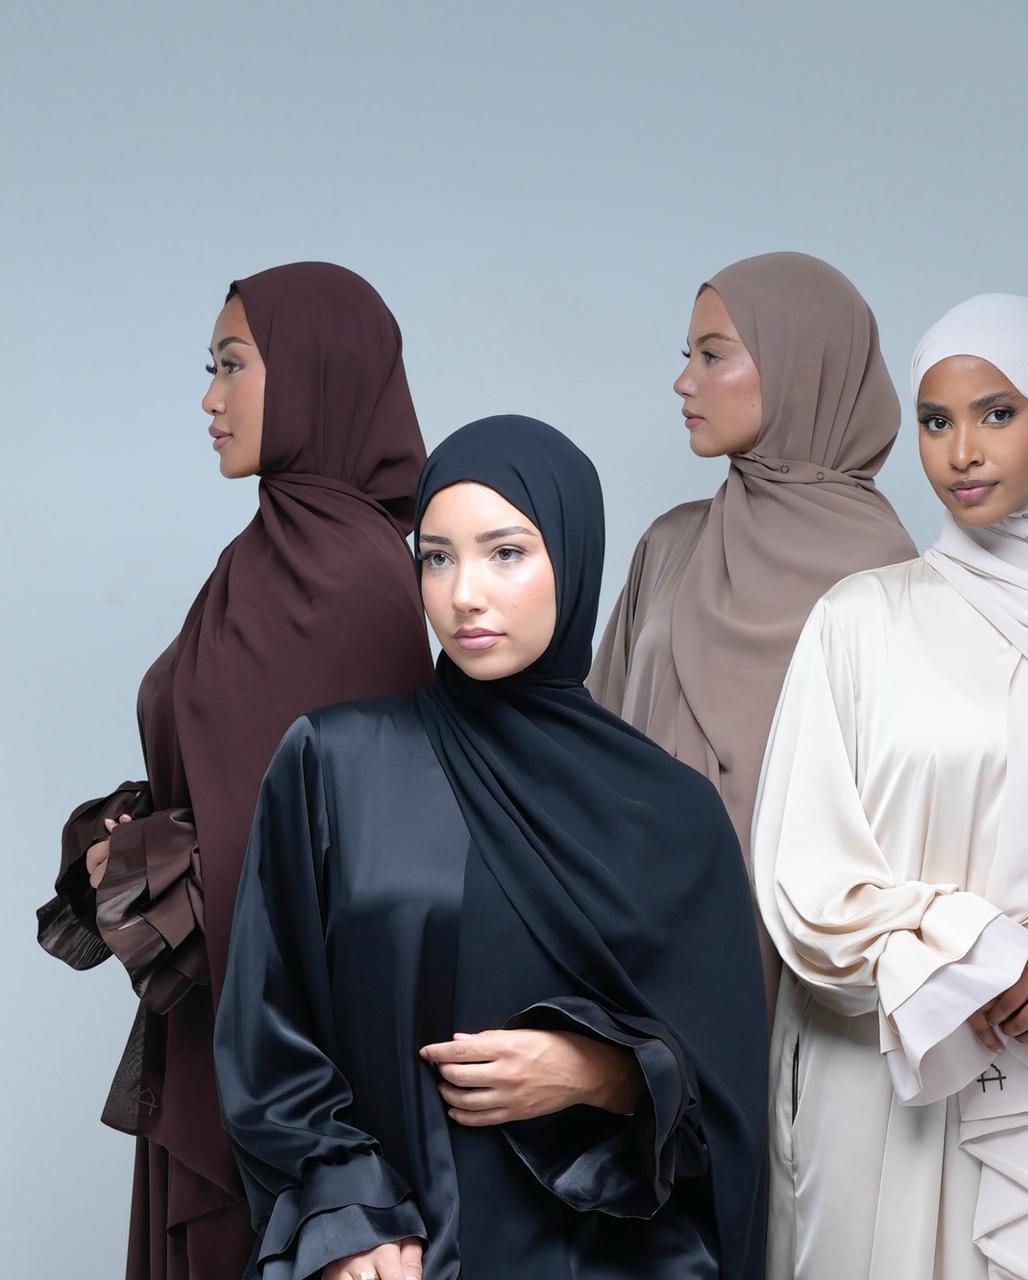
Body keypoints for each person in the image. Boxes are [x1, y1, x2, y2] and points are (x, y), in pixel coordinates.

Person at [214, 416, 769, 1280]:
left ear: (573, 559)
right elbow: (266, 1030)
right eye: (437, 558)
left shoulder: (670, 813)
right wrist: (348, 1214)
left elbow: (730, 1106)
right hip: (394, 1258)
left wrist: (605, 1073)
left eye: (505, 553)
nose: (463, 594)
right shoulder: (335, 762)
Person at [752, 294, 1028, 1279]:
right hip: (886, 1079)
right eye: (935, 420)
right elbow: (804, 877)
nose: (962, 451)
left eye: (998, 413)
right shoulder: (859, 620)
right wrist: (977, 953)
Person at [37, 262, 432, 1279]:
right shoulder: (261, 557)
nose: (210, 398)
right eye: (209, 368)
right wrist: (132, 845)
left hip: (291, 1063)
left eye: (232, 365)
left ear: (315, 371)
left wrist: (159, 866)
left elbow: (349, 859)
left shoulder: (354, 579)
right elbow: (221, 777)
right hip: (214, 1028)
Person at [589, 252, 916, 1014]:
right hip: (639, 950)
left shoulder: (890, 575)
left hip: (813, 980)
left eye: (713, 355)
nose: (684, 381)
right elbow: (592, 749)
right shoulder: (670, 543)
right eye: (688, 355)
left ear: (801, 366)